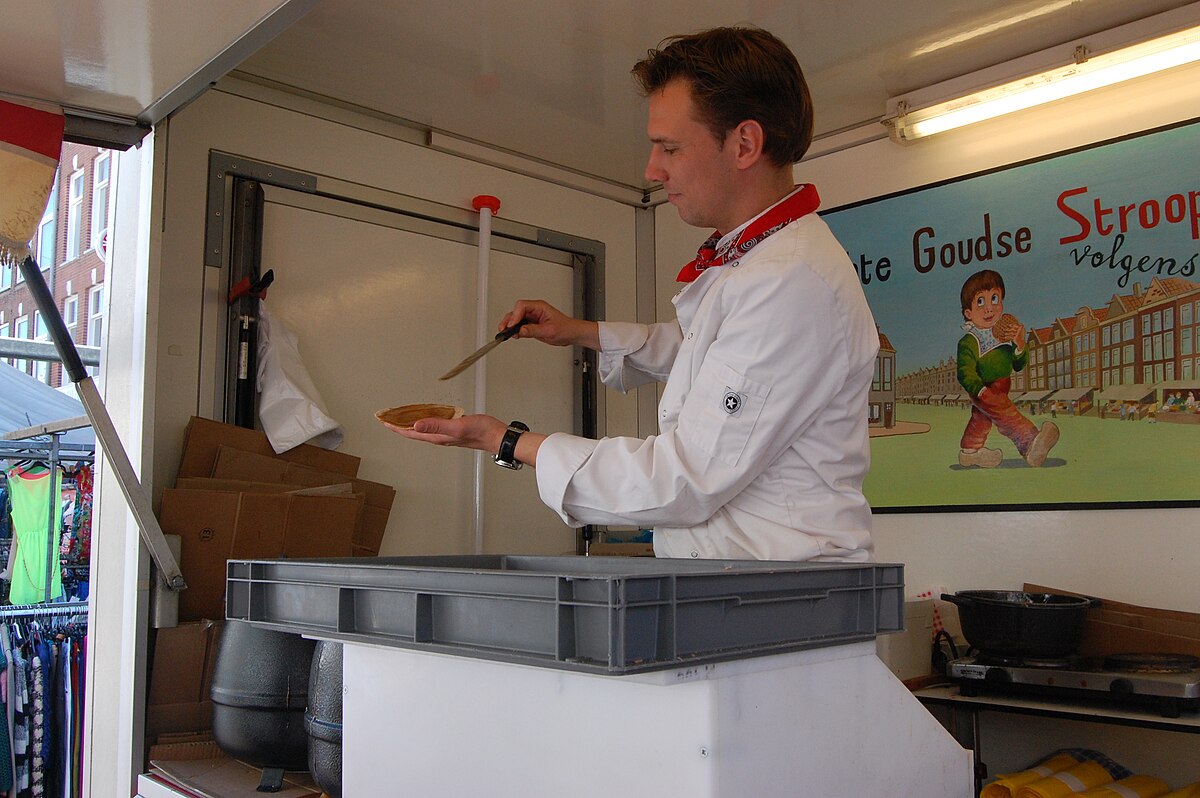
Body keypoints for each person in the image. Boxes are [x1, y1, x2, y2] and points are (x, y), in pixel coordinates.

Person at [388, 27, 880, 562]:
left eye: (669, 147)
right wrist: (578, 332)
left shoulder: (791, 281)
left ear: (744, 144)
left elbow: (682, 480)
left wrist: (505, 440)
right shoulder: (759, 261)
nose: (651, 169)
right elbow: (705, 349)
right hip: (744, 589)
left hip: (781, 600)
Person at [955, 269, 1059, 468]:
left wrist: (1019, 344)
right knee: (1007, 415)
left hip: (1002, 387)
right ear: (968, 313)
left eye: (994, 299)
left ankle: (970, 452)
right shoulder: (969, 341)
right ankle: (1030, 444)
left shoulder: (1004, 336)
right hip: (984, 389)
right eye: (980, 302)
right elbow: (964, 372)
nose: (989, 308)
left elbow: (1019, 365)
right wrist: (980, 390)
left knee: (981, 419)